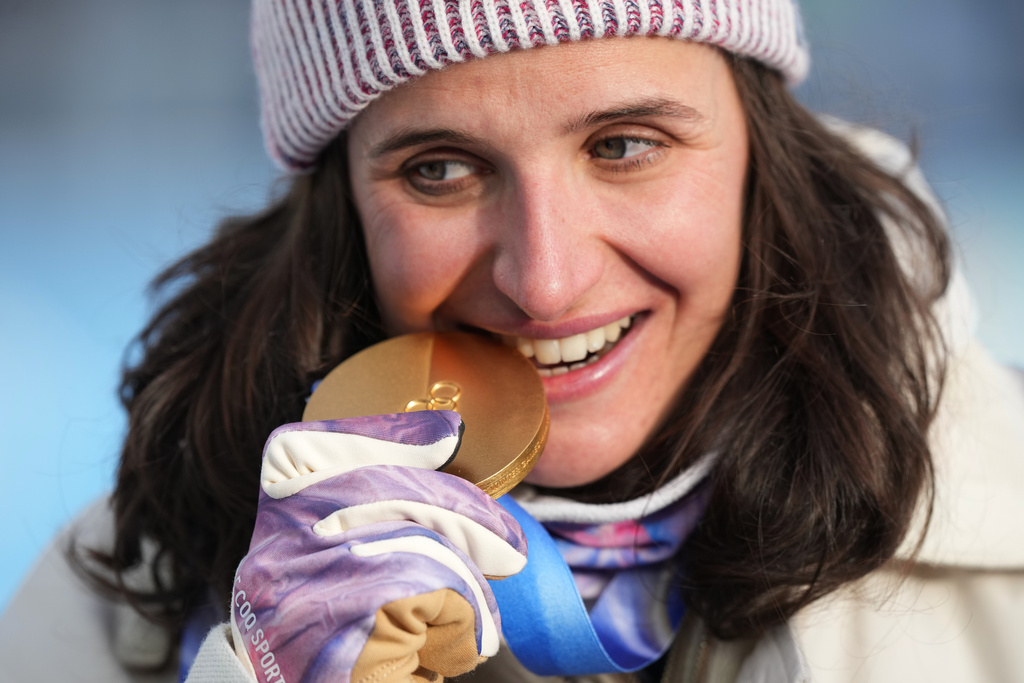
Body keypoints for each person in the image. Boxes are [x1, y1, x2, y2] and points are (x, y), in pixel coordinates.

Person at [2, 0, 1023, 681]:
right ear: (340, 202)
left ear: (763, 145)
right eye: (440, 170)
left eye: (624, 145)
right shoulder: (120, 596)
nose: (545, 279)